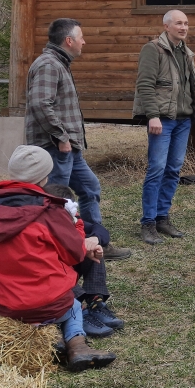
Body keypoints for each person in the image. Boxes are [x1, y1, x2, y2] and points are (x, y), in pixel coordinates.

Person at [0, 145, 116, 372]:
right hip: (48, 304)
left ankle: (50, 340)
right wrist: (76, 226)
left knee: (44, 302)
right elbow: (74, 254)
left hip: (2, 305)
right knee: (72, 305)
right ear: (45, 177)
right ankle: (77, 346)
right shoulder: (50, 211)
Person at [25, 19, 130, 260]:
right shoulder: (49, 65)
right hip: (54, 148)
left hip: (69, 148)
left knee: (89, 187)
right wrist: (61, 137)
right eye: (81, 37)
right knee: (57, 201)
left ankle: (95, 242)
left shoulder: (60, 64)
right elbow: (41, 104)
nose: (85, 42)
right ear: (68, 41)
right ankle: (59, 248)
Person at [133, 10, 195, 245]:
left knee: (174, 169)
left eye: (186, 23)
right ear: (166, 26)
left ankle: (162, 218)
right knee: (156, 169)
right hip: (162, 120)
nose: (183, 27)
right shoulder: (153, 49)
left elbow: (193, 88)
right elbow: (145, 84)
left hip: (183, 121)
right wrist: (152, 116)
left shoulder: (185, 52)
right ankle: (148, 223)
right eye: (178, 23)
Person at [43, 184, 124, 337]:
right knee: (55, 266)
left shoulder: (72, 219)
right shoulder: (40, 227)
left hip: (69, 268)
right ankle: (80, 310)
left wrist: (93, 239)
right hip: (52, 278)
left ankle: (96, 302)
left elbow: (100, 230)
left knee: (94, 250)